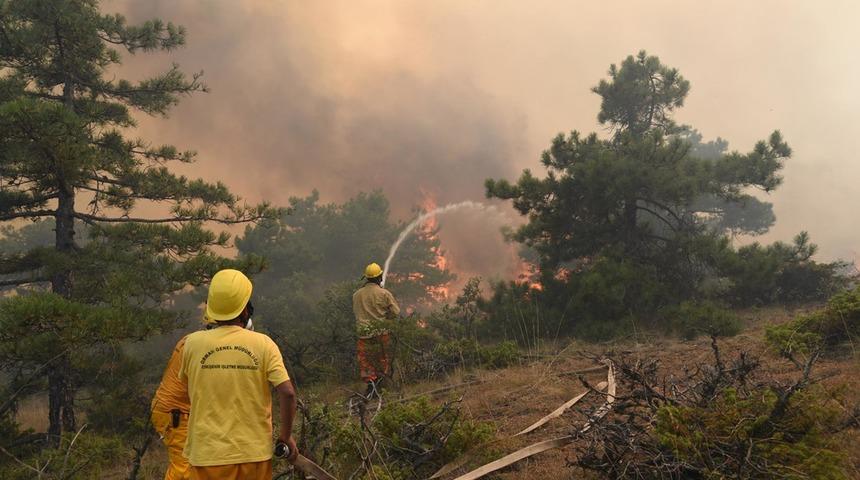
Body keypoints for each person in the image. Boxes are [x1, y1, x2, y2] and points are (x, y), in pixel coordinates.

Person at [179, 269, 298, 479]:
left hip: (207, 454)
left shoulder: (192, 344)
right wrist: (286, 437)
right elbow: (287, 393)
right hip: (253, 454)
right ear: (245, 311)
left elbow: (189, 389)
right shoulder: (264, 344)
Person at [352, 262, 400, 396]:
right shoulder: (384, 293)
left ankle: (371, 386)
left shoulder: (356, 295)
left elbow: (356, 313)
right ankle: (381, 383)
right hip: (381, 333)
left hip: (363, 335)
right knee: (382, 358)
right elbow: (396, 312)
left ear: (366, 278)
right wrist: (386, 317)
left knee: (365, 361)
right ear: (380, 278)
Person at [151, 335, 192, 480]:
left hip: (175, 410)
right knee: (184, 469)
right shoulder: (200, 347)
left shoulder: (193, 340)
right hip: (176, 414)